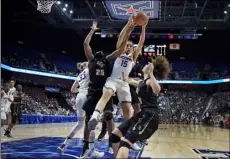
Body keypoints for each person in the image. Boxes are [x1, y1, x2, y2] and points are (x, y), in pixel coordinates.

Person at [80, 19, 135, 158]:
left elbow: (120, 49)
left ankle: (102, 144)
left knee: (106, 118)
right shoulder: (98, 59)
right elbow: (86, 44)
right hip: (98, 90)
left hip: (103, 90)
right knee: (98, 120)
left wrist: (128, 30)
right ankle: (91, 146)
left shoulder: (100, 59)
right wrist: (93, 30)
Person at [88, 16, 148, 128]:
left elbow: (141, 41)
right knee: (106, 95)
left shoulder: (133, 56)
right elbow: (121, 36)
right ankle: (94, 117)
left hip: (124, 83)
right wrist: (128, 27)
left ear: (133, 48)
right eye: (127, 45)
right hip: (113, 79)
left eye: (131, 46)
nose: (129, 47)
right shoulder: (119, 52)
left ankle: (128, 132)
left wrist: (143, 27)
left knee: (127, 110)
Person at [109, 56, 170, 158]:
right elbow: (127, 79)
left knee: (125, 143)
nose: (145, 64)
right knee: (114, 136)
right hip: (141, 115)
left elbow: (157, 89)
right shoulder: (142, 82)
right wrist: (124, 70)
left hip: (150, 116)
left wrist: (150, 73)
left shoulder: (150, 81)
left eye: (148, 64)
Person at [57, 62, 89, 154]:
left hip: (79, 98)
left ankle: (64, 144)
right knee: (90, 124)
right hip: (87, 96)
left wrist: (81, 89)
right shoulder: (89, 70)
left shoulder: (79, 75)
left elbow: (72, 90)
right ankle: (89, 149)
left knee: (80, 124)